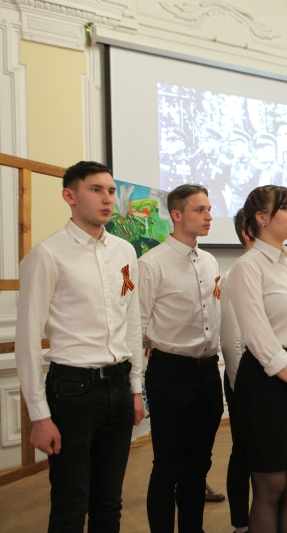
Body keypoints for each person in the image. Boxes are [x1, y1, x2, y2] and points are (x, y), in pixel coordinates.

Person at [15, 161, 145, 533]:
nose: (108, 199)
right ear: (69, 196)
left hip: (118, 387)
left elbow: (131, 321)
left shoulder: (124, 251)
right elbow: (27, 340)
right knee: (71, 504)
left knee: (109, 502)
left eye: (111, 190)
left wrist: (136, 389)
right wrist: (39, 415)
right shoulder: (47, 254)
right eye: (96, 190)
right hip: (73, 390)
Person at [226, 185, 287, 533]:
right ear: (262, 218)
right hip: (268, 380)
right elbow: (259, 338)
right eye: (286, 208)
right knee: (271, 485)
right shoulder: (247, 267)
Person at [138, 184, 224, 533]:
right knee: (167, 466)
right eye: (200, 210)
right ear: (176, 215)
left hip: (208, 372)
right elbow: (138, 326)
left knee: (199, 464)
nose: (209, 216)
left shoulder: (210, 261)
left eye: (209, 209)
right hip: (170, 372)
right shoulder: (151, 263)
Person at [219, 209, 254, 533]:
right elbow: (232, 341)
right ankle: (241, 524)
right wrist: (241, 389)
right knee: (244, 451)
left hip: (275, 378)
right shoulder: (237, 274)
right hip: (246, 379)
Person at [192, 127, 230, 217]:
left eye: (207, 141)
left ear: (217, 142)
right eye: (203, 141)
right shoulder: (197, 158)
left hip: (215, 206)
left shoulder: (225, 163)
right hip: (196, 205)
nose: (204, 144)